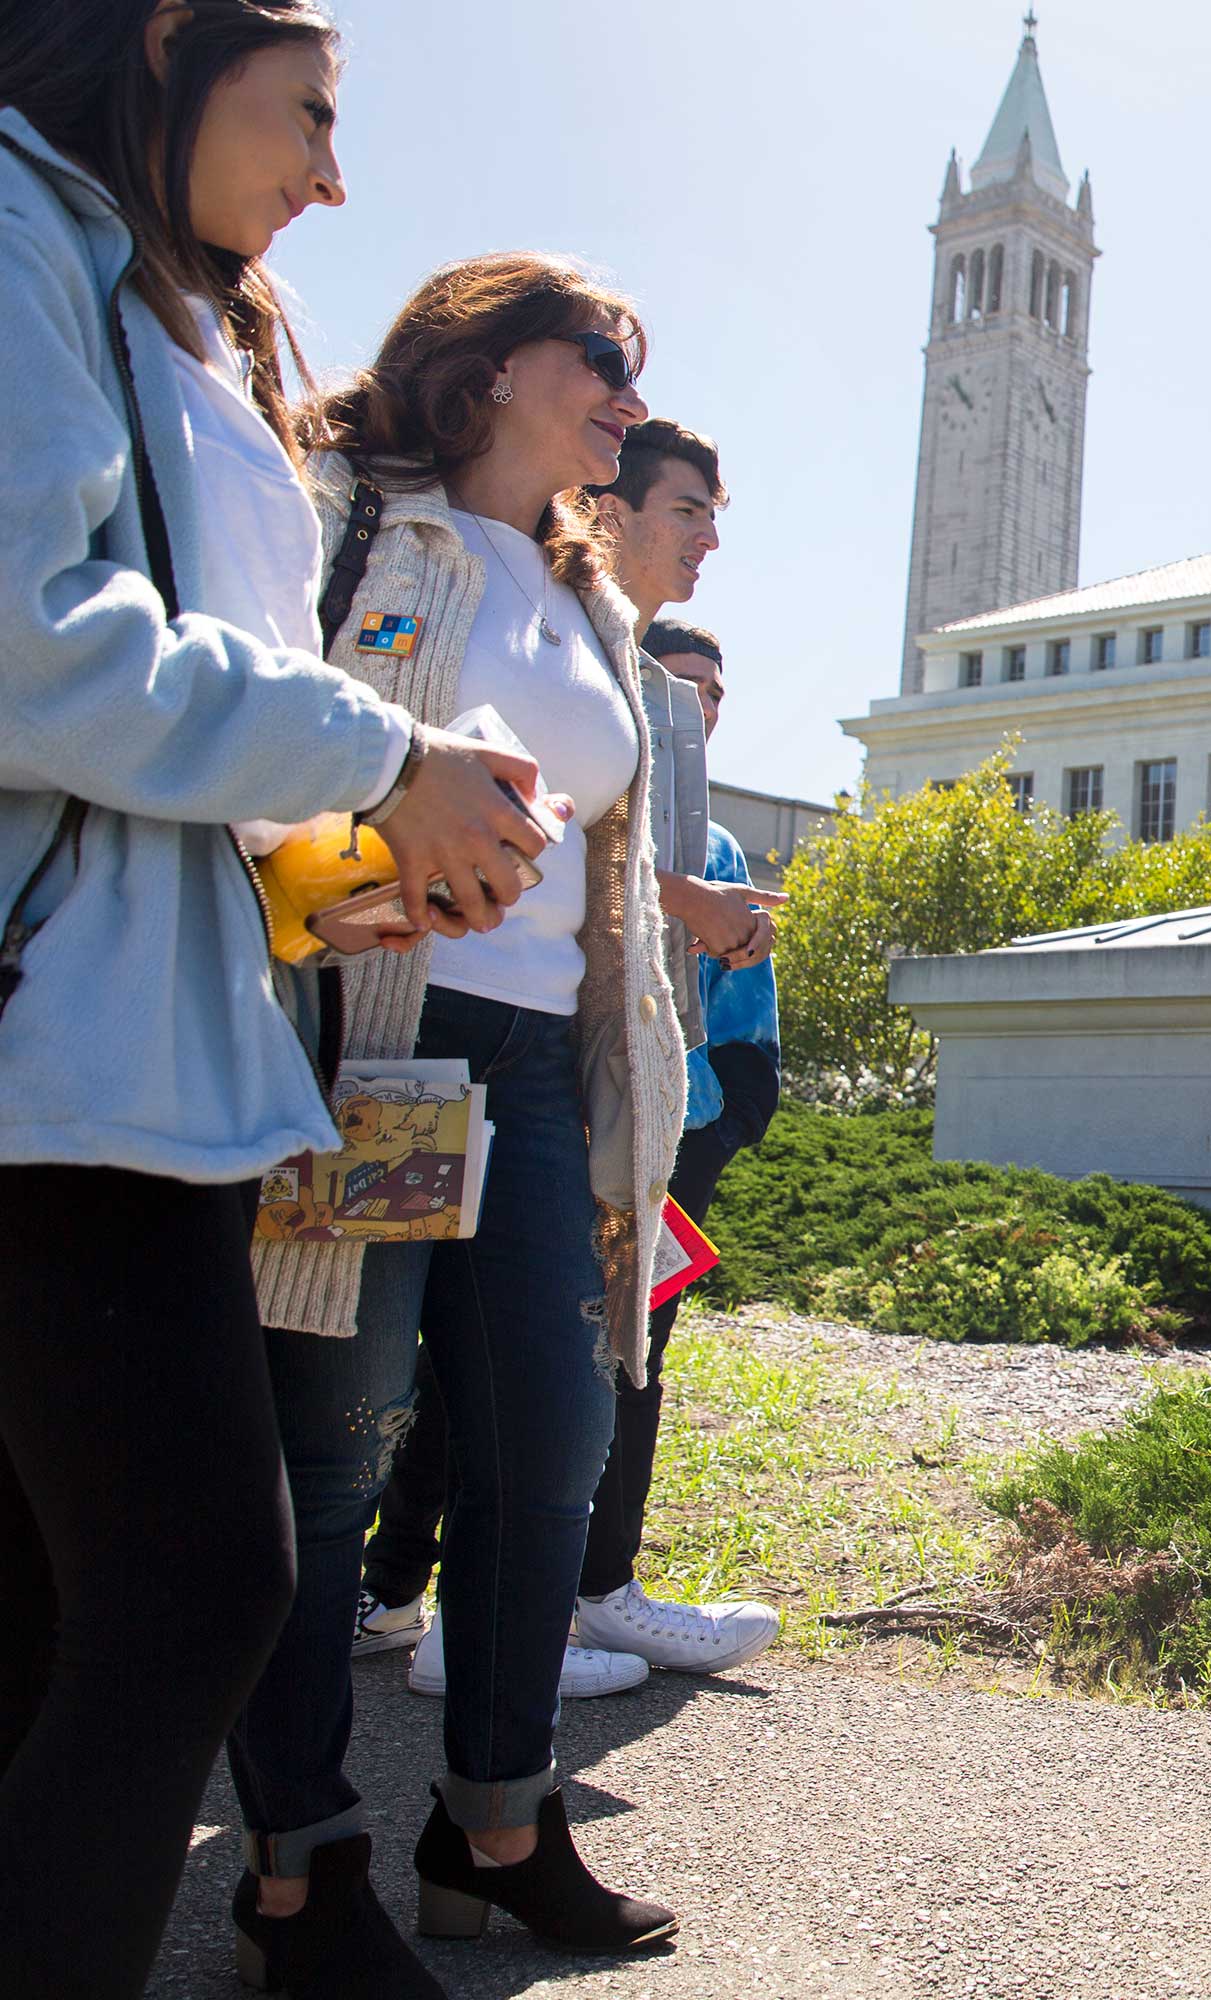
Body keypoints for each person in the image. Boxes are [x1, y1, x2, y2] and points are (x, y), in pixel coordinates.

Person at [0, 5, 543, 1993]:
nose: (337, 173)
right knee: (197, 1586)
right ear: (164, 42)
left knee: (66, 1615)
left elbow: (151, 733)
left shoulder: (165, 303)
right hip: (54, 1058)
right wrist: (375, 761)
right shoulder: (21, 233)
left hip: (129, 1039)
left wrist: (345, 851)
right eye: (311, 109)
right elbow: (37, 651)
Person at [223, 249, 693, 1985]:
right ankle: (297, 1867)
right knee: (331, 1458)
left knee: (547, 1453)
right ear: (491, 363)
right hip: (368, 1044)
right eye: (602, 363)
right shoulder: (340, 511)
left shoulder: (596, 597)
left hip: (544, 1072)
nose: (626, 405)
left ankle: (495, 1827)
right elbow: (251, 737)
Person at [358, 424, 778, 1686]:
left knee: (556, 1372)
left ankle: (522, 1662)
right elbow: (508, 821)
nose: (711, 535)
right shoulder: (470, 590)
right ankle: (369, 1625)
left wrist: (711, 1098)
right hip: (411, 1036)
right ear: (611, 502)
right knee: (372, 1381)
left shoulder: (619, 672)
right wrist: (684, 901)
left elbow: (583, 861)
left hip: (560, 1063)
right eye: (690, 507)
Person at [572, 616, 785, 1666]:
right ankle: (406, 1588)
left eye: (716, 691)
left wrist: (727, 1123)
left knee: (635, 1361)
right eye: (684, 683)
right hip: (561, 1110)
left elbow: (749, 1018)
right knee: (502, 1354)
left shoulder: (724, 846)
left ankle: (606, 1577)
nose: (700, 704)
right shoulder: (590, 791)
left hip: (680, 1135)